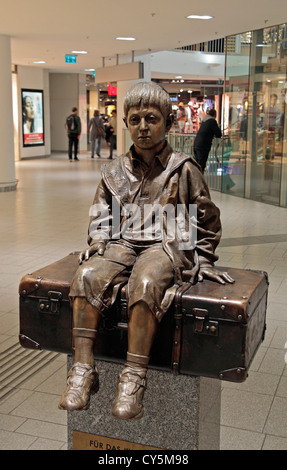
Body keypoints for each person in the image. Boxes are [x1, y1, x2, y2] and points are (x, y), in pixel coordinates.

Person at [58, 82, 234, 420]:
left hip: (166, 244)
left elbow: (207, 219)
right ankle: (83, 370)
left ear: (168, 123)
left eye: (151, 119)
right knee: (86, 275)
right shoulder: (113, 171)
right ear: (125, 123)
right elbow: (100, 216)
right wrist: (98, 243)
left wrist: (203, 257)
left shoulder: (184, 168)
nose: (143, 127)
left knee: (146, 280)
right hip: (122, 243)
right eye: (135, 119)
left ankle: (134, 378)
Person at [193, 109, 222, 173]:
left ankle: (196, 180)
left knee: (197, 165)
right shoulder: (212, 121)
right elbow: (218, 134)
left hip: (196, 144)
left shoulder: (204, 121)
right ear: (215, 115)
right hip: (203, 146)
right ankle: (199, 181)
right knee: (201, 165)